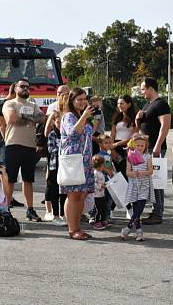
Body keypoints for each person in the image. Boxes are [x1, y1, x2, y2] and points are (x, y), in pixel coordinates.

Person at [2, 78, 46, 221]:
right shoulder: (9, 103)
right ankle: (6, 209)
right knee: (11, 180)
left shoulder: (33, 104)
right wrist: (31, 118)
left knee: (28, 180)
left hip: (29, 146)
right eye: (22, 86)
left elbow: (42, 118)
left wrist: (25, 117)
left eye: (28, 86)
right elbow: (12, 119)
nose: (25, 88)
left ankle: (30, 210)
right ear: (15, 88)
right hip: (13, 145)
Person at [59, 87, 96, 240]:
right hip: (73, 160)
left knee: (82, 194)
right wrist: (84, 117)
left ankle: (77, 227)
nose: (83, 102)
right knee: (73, 195)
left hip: (84, 160)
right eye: (79, 99)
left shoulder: (82, 116)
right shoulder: (69, 116)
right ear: (72, 101)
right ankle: (72, 229)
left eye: (84, 99)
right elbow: (73, 134)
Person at [135, 77, 171, 225]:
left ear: (150, 88)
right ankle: (156, 211)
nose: (142, 92)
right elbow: (141, 126)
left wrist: (157, 145)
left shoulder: (161, 105)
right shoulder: (147, 104)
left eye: (143, 89)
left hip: (155, 148)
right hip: (145, 148)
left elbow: (165, 126)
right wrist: (138, 119)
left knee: (157, 181)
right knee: (152, 180)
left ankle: (157, 213)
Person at [121, 135, 154, 241]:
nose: (140, 147)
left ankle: (128, 227)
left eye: (142, 145)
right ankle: (139, 231)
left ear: (145, 146)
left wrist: (142, 173)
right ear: (134, 145)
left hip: (144, 185)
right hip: (134, 184)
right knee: (136, 209)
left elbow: (150, 171)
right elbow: (127, 172)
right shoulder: (130, 157)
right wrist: (134, 173)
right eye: (138, 145)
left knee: (140, 207)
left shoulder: (148, 156)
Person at [43, 92, 69, 225]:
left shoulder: (66, 133)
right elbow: (51, 149)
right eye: (58, 122)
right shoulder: (53, 134)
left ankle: (64, 214)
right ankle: (55, 214)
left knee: (63, 191)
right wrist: (63, 148)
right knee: (53, 189)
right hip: (55, 165)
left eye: (62, 122)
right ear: (54, 122)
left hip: (65, 165)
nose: (60, 124)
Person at [110, 94, 136, 177]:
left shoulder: (135, 117)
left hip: (127, 147)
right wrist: (112, 149)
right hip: (116, 148)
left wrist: (117, 144)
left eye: (122, 103)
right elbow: (112, 134)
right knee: (118, 173)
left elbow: (133, 136)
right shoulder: (117, 117)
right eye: (118, 103)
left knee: (127, 173)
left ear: (129, 104)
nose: (119, 106)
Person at [91, 155, 110, 230]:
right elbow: (93, 183)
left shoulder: (101, 173)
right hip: (96, 195)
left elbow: (101, 182)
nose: (104, 166)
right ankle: (96, 222)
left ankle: (103, 220)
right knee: (98, 209)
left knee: (103, 208)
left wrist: (105, 184)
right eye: (103, 164)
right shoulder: (95, 173)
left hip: (102, 194)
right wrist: (100, 186)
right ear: (100, 165)